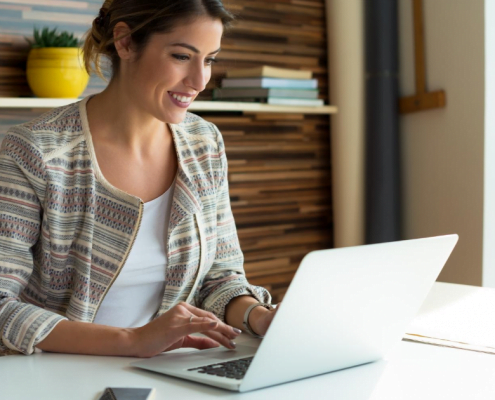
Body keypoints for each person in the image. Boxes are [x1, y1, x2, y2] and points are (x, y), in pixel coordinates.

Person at [0, 0, 277, 357]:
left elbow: (220, 277)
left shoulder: (203, 144)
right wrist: (132, 341)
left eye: (209, 60)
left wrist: (258, 317)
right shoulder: (35, 152)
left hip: (172, 374)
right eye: (181, 56)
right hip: (58, 376)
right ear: (126, 42)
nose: (199, 81)